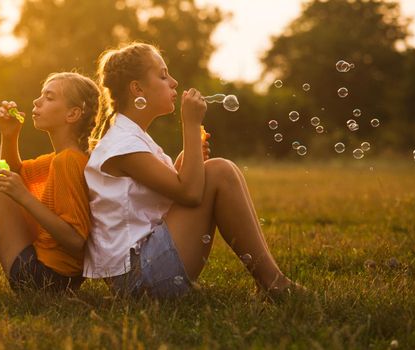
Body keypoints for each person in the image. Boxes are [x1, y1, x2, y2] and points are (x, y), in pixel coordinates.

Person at [84, 43, 304, 300]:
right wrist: (190, 124)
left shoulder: (132, 137)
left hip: (143, 266)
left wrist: (186, 161)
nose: (174, 82)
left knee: (222, 169)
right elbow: (188, 194)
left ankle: (269, 279)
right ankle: (274, 282)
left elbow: (163, 194)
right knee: (220, 171)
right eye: (163, 75)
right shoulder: (123, 144)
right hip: (139, 277)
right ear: (137, 89)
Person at [0, 72, 100, 300]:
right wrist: (9, 135)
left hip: (44, 279)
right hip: (54, 278)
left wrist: (24, 197)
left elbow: (76, 241)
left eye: (49, 97)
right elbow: (11, 174)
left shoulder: (68, 161)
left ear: (73, 114)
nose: (37, 102)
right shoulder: (61, 158)